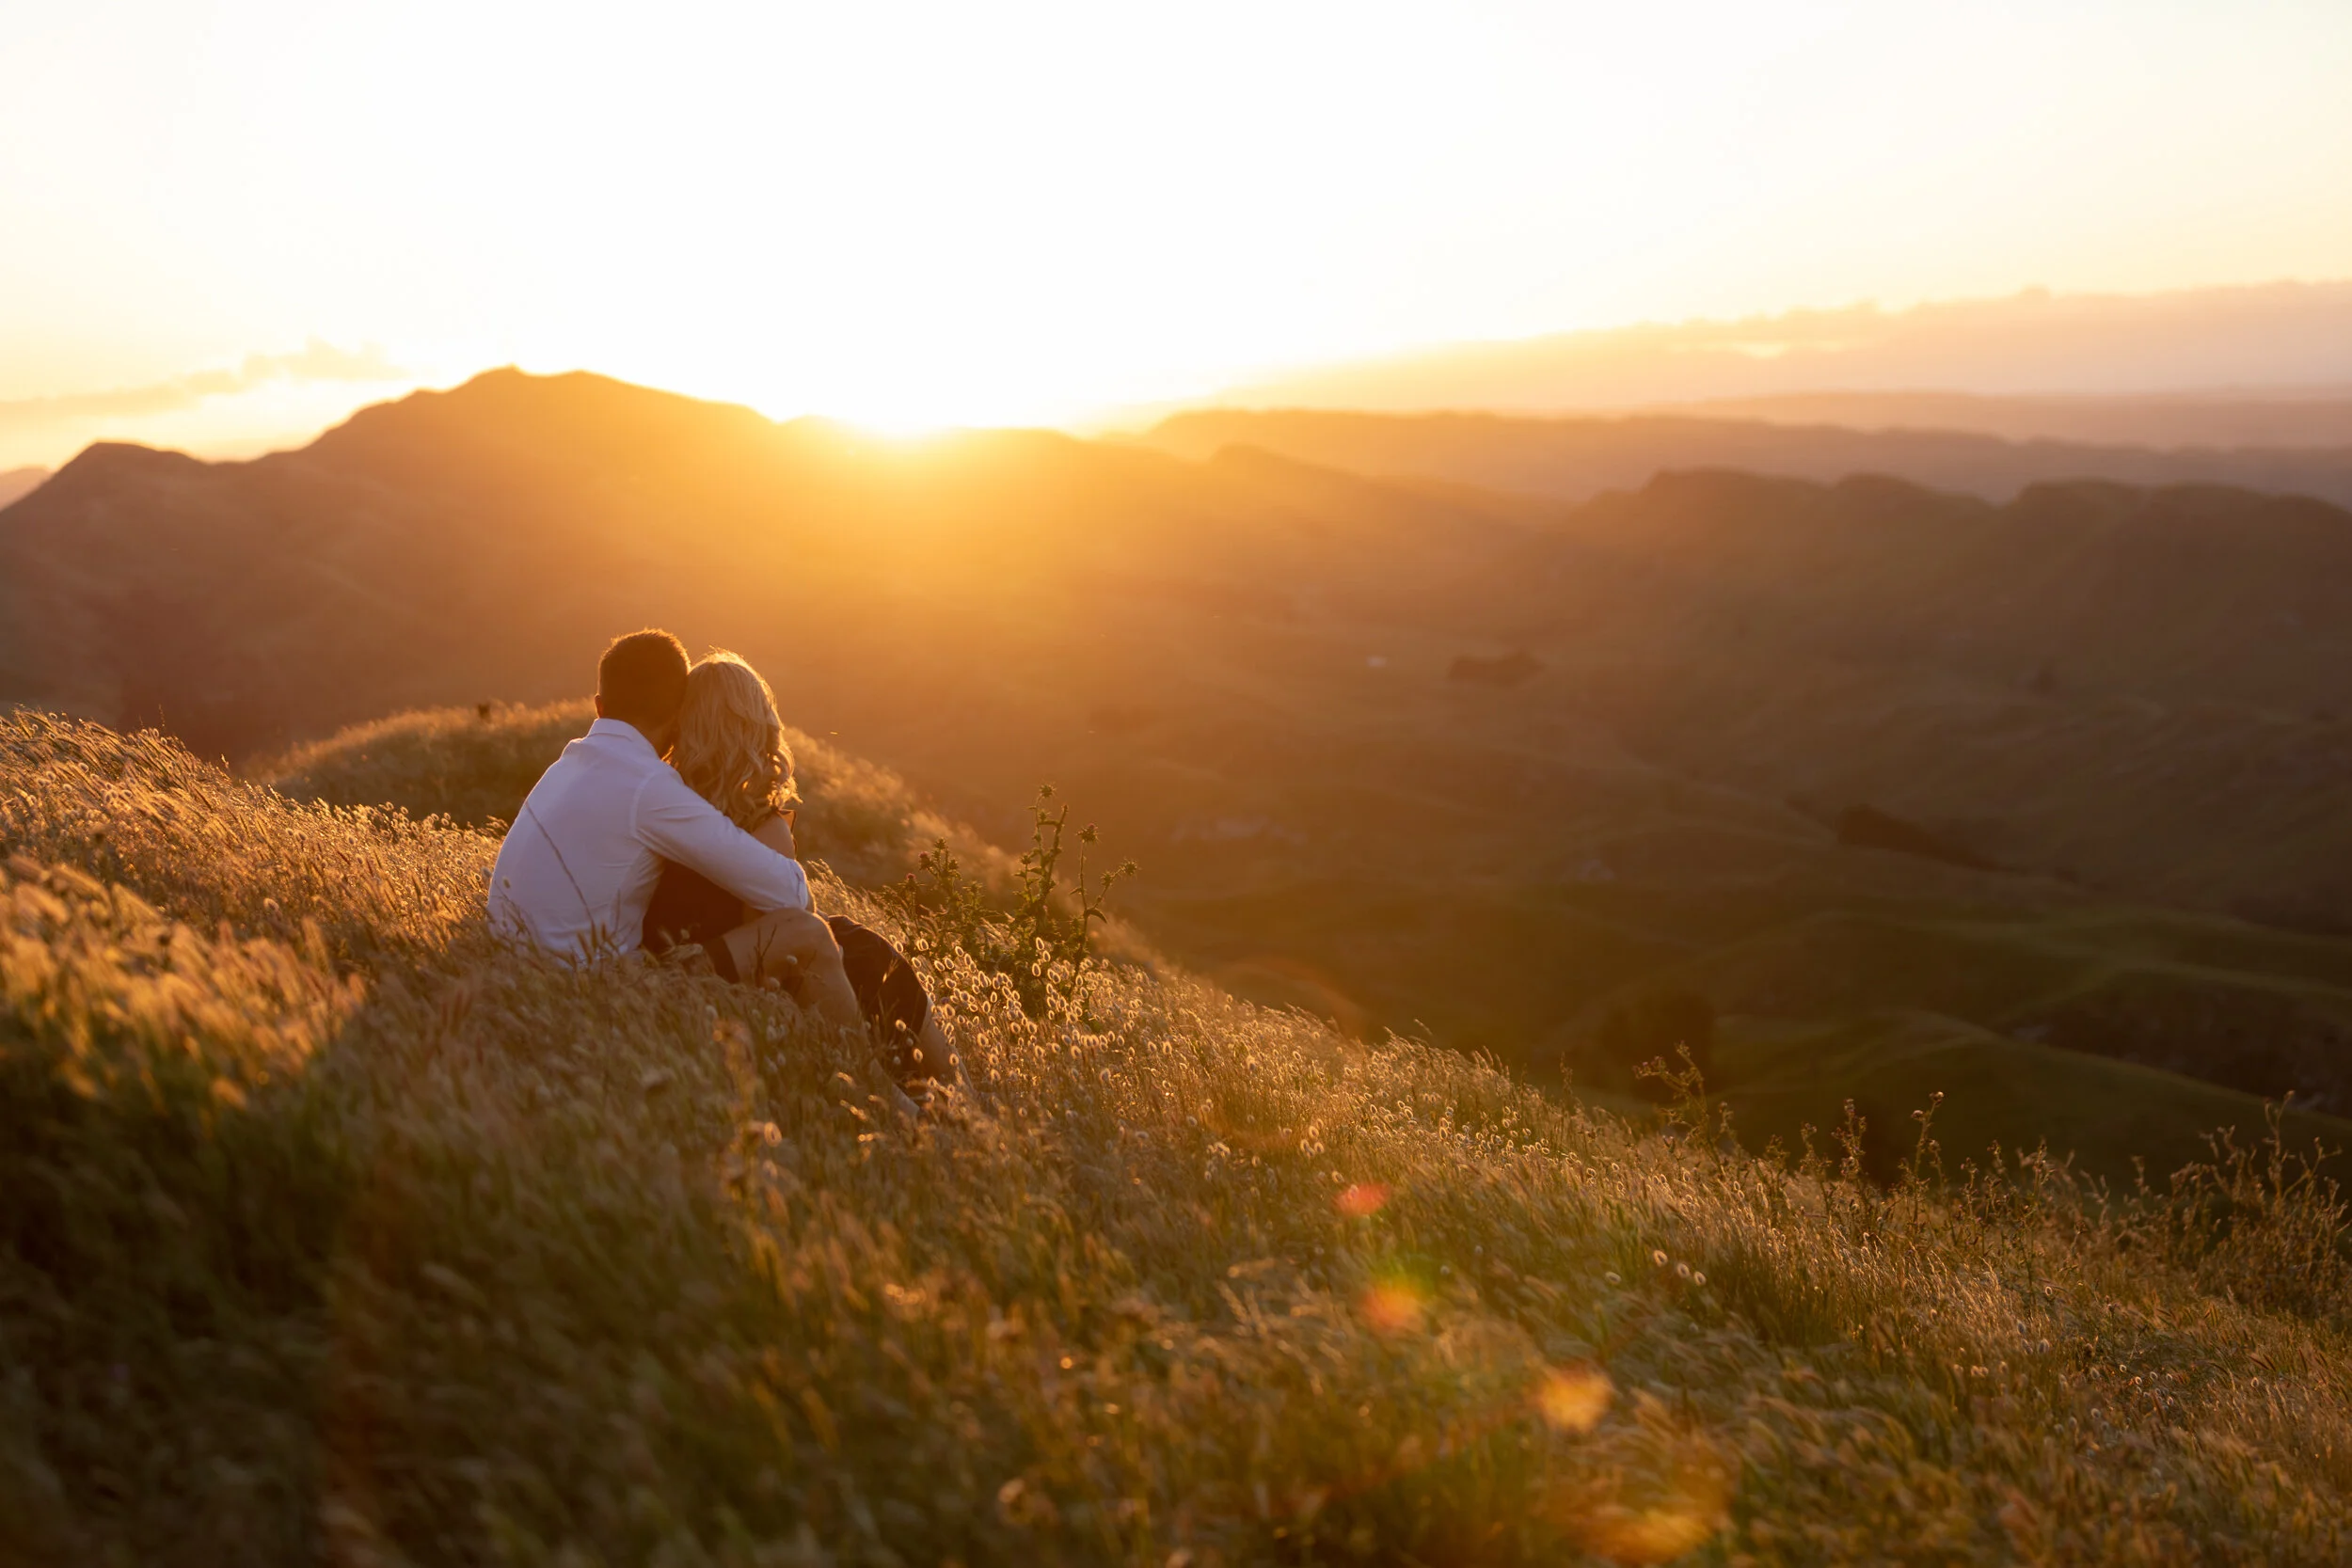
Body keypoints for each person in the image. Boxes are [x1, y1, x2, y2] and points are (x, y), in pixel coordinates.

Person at [486, 630, 866, 1038]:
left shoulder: (565, 766)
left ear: (599, 706)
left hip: (512, 982)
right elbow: (790, 893)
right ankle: (861, 1074)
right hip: (591, 996)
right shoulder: (649, 786)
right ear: (677, 715)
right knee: (808, 934)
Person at [643, 651, 960, 1099]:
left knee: (860, 944)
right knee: (872, 960)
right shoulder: (763, 828)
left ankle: (953, 1095)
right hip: (723, 975)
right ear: (754, 727)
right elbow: (777, 954)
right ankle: (951, 1098)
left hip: (680, 961)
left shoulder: (661, 803)